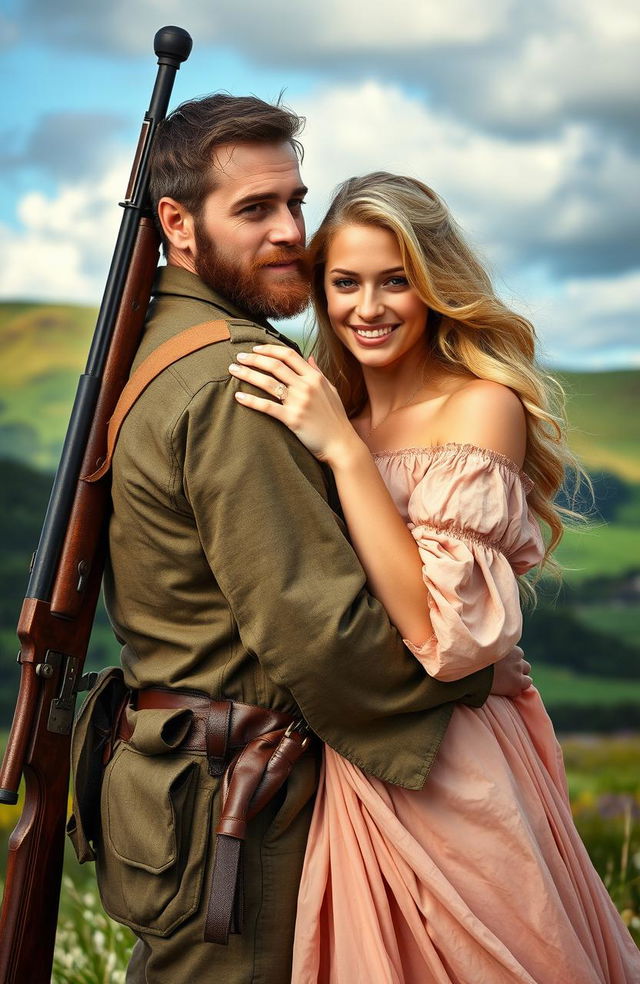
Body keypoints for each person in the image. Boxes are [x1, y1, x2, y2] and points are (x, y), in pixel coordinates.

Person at [69, 98, 530, 984]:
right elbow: (322, 633)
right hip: (240, 802)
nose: (291, 234)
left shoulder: (166, 343)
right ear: (177, 223)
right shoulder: (229, 379)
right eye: (254, 210)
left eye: (294, 202)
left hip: (187, 787)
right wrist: (474, 673)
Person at [228, 172, 640, 983]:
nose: (367, 308)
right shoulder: (328, 414)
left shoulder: (480, 407)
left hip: (454, 756)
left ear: (434, 287)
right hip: (351, 754)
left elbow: (442, 637)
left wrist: (345, 455)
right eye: (345, 283)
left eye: (396, 281)